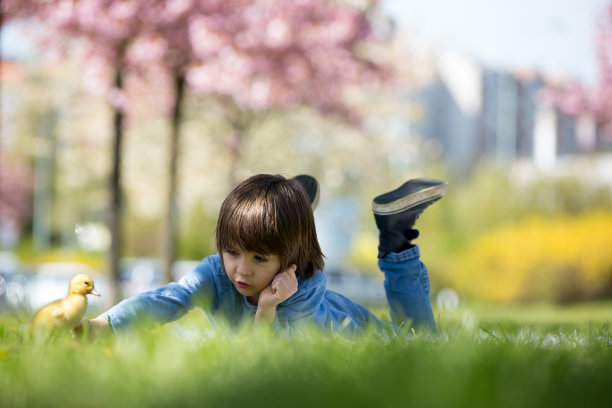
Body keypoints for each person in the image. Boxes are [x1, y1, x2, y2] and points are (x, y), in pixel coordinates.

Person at [82, 174, 447, 337]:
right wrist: (103, 326)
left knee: (421, 343)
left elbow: (264, 358)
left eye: (259, 259)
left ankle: (396, 236)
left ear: (288, 261)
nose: (240, 271)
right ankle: (289, 205)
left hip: (345, 326)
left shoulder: (299, 295)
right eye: (232, 251)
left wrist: (268, 306)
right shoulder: (216, 272)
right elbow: (166, 300)